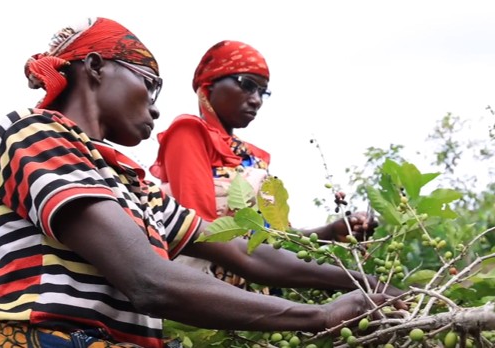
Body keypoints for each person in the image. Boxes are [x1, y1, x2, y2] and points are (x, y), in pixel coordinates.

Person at [0, 18, 404, 348]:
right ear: (97, 67)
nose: (157, 110)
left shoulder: (132, 182)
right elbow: (148, 280)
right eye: (150, 85)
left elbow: (242, 253)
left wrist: (367, 283)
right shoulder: (36, 133)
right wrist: (318, 317)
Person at [150, 40, 376, 292]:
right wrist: (350, 281)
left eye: (262, 91)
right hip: (211, 294)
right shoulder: (189, 133)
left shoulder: (253, 158)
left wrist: (333, 230)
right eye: (247, 85)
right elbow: (205, 234)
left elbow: (278, 240)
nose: (256, 100)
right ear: (210, 84)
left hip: (259, 294)